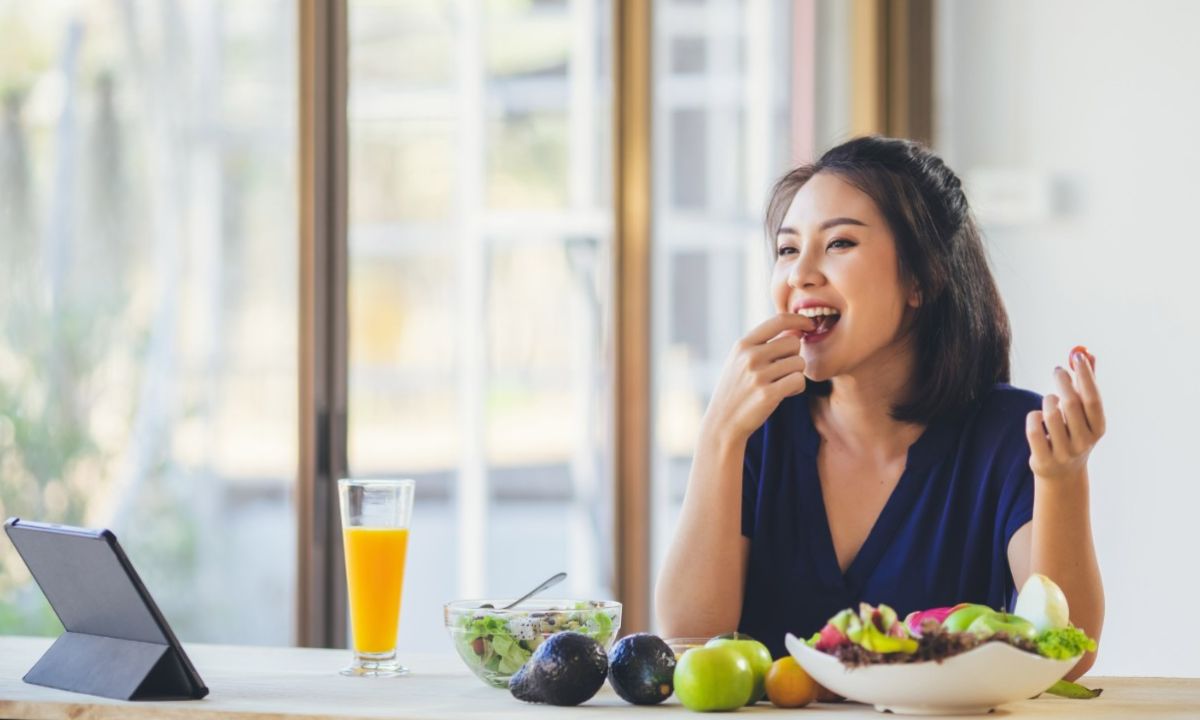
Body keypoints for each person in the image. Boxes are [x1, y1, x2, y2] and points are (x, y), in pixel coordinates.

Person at [654, 136, 1104, 681]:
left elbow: (1067, 657)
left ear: (920, 277)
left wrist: (1063, 477)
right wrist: (718, 435)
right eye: (788, 249)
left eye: (839, 243)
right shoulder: (759, 430)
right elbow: (688, 641)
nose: (799, 275)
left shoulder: (1009, 435)